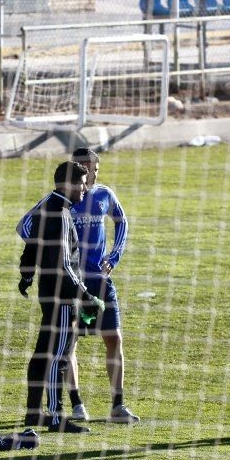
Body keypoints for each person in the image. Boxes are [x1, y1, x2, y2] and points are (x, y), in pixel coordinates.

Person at [17, 148, 140, 423]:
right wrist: (45, 256)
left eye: (91, 166)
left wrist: (114, 256)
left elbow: (122, 221)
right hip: (69, 287)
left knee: (113, 338)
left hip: (99, 280)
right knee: (66, 346)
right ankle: (73, 405)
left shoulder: (103, 195)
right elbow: (26, 226)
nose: (87, 171)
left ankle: (117, 405)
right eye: (82, 165)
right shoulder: (58, 203)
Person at [18, 161, 104, 433]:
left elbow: (31, 242)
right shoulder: (60, 214)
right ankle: (56, 417)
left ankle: (34, 413)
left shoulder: (46, 208)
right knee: (60, 356)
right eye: (81, 183)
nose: (84, 188)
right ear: (67, 184)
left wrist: (27, 275)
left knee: (43, 353)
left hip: (48, 293)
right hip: (63, 297)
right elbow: (65, 265)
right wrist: (87, 295)